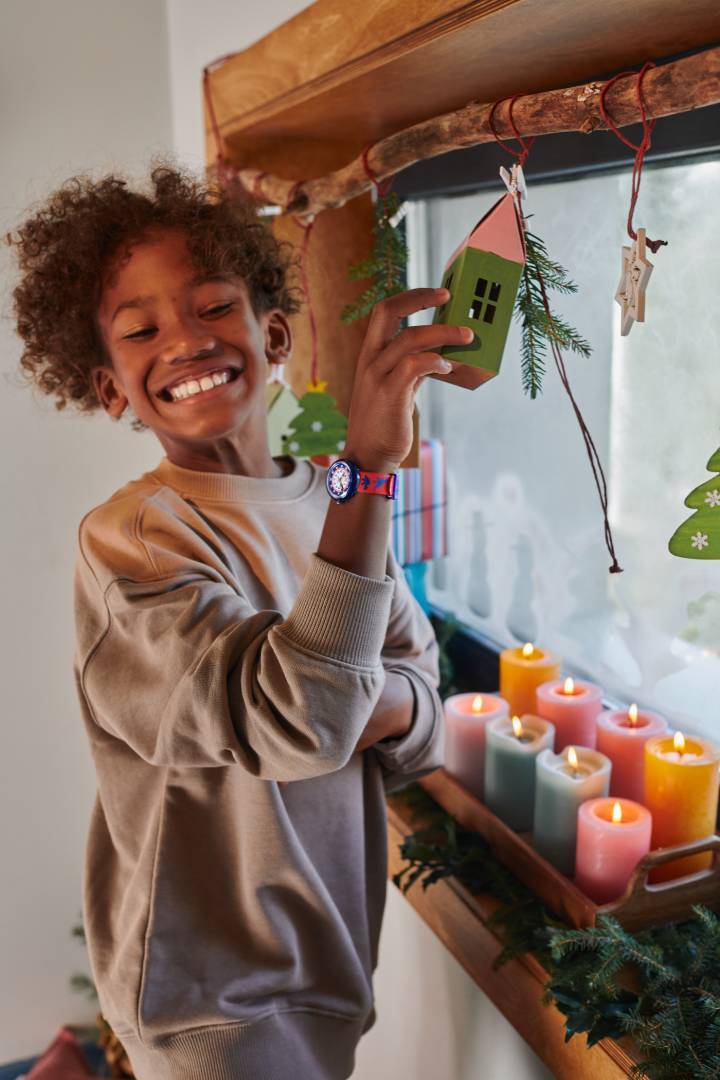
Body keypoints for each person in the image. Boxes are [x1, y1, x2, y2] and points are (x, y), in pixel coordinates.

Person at [6, 159, 471, 1080]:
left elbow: (423, 711)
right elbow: (302, 720)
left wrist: (359, 687)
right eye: (140, 329)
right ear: (109, 389)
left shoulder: (324, 497)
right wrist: (371, 471)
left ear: (274, 335)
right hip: (210, 1007)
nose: (183, 339)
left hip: (330, 974)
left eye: (213, 308)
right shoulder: (131, 543)